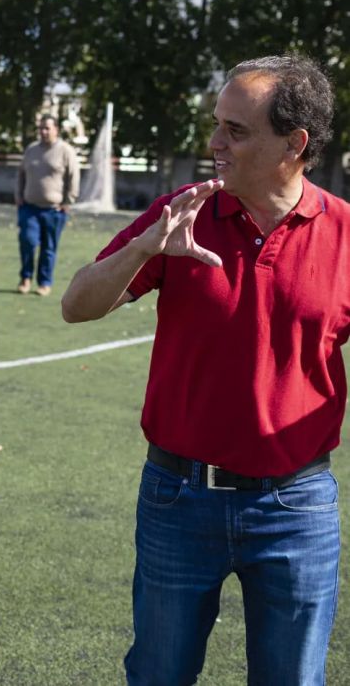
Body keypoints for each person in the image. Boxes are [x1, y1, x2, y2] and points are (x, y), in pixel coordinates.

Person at [61, 55, 343, 685]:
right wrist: (144, 247)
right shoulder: (180, 214)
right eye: (217, 124)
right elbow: (76, 306)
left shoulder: (346, 235)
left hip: (296, 507)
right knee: (158, 675)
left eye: (236, 130)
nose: (215, 143)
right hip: (178, 497)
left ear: (294, 144)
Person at [15, 114, 80, 296]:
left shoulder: (65, 151)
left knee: (48, 248)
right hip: (29, 207)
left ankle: (44, 282)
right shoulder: (31, 150)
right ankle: (25, 278)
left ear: (56, 130)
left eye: (47, 128)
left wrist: (68, 201)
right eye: (41, 128)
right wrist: (18, 195)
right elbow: (20, 174)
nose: (43, 132)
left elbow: (73, 177)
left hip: (54, 210)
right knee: (27, 241)